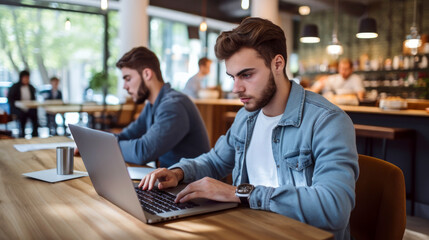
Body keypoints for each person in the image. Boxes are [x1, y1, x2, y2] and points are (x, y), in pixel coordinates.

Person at [139, 18, 359, 239]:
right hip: (248, 229)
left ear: (278, 64)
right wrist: (178, 172)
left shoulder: (327, 122)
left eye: (246, 75)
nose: (236, 88)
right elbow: (216, 161)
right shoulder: (246, 117)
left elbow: (334, 208)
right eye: (233, 77)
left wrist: (239, 193)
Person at [77, 46, 210, 168]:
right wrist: (92, 144)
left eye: (128, 78)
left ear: (147, 74)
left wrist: (101, 147)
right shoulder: (152, 104)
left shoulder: (174, 106)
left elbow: (143, 151)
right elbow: (128, 135)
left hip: (189, 187)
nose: (125, 86)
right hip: (171, 183)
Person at [7, 70, 38, 137]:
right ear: (21, 78)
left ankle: (35, 134)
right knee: (22, 115)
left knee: (34, 114)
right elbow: (10, 99)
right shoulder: (15, 87)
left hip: (30, 107)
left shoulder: (31, 87)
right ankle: (22, 134)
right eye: (25, 77)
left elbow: (34, 99)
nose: (26, 79)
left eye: (27, 78)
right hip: (18, 108)